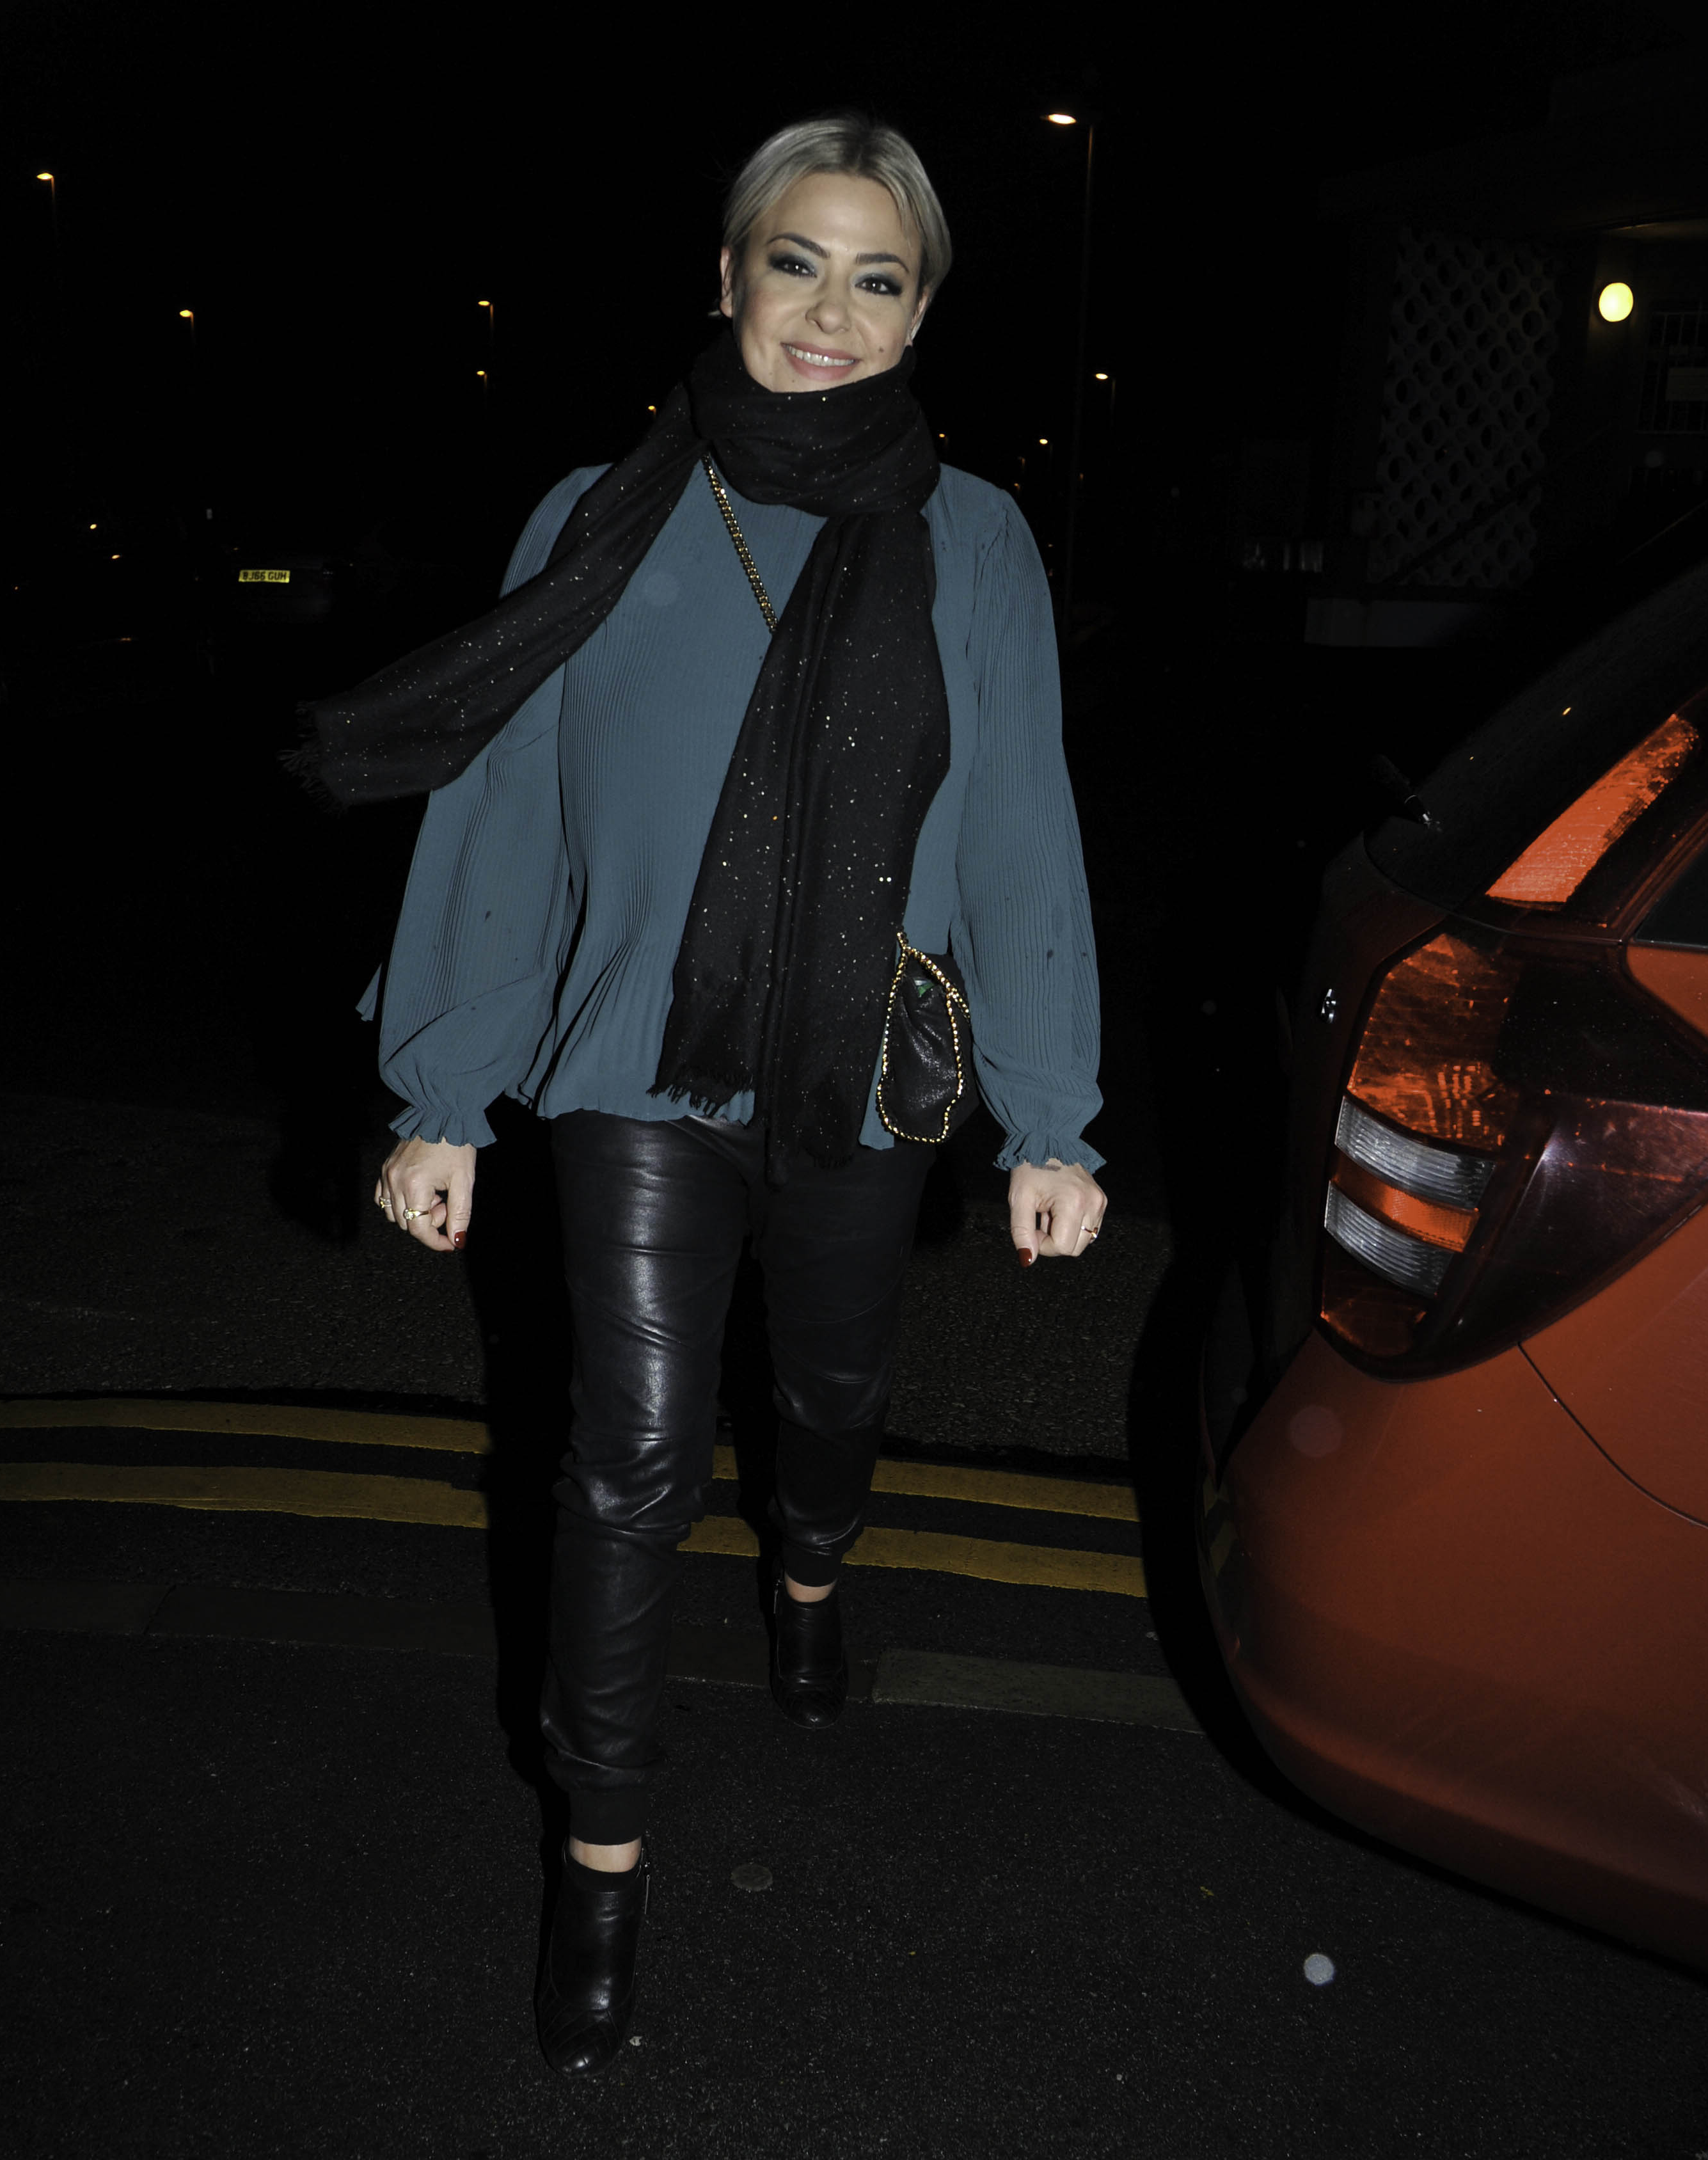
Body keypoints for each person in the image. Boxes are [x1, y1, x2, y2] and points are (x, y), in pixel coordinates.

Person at [300, 112, 1106, 2076]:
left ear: (923, 310)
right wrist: (443, 1091)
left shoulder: (979, 537)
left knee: (828, 1396)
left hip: (863, 1082)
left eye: (878, 276)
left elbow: (1022, 830)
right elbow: (504, 803)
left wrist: (1053, 1116)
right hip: (631, 1072)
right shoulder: (605, 511)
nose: (831, 310)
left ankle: (812, 1562)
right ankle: (601, 1862)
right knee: (633, 1454)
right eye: (795, 261)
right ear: (728, 276)